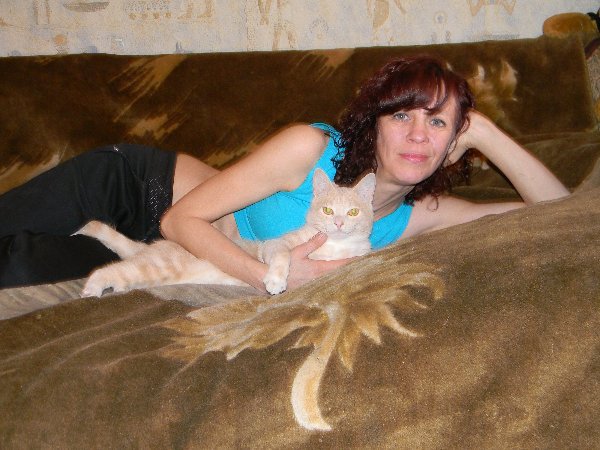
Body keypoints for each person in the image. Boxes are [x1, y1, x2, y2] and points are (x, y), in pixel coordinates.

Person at [0, 56, 570, 290]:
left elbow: (565, 216)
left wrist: (486, 132)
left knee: (18, 269)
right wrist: (269, 277)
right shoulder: (309, 147)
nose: (419, 134)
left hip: (160, 258)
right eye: (402, 116)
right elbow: (178, 221)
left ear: (452, 143)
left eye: (438, 122)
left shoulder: (422, 215)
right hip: (133, 191)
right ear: (374, 124)